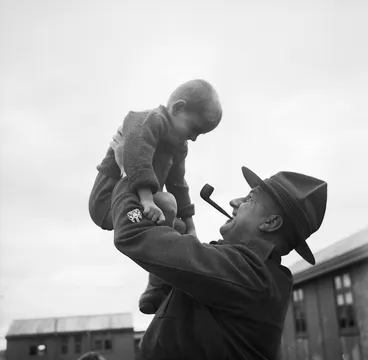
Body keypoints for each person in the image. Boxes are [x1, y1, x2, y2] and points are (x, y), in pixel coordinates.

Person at [109, 157, 327, 359]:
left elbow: (134, 235)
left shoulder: (247, 273)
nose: (234, 201)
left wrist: (130, 176)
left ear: (269, 223)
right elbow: (164, 304)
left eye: (250, 199)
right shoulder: (249, 274)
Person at [89, 79, 222, 314]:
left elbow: (178, 184)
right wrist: (147, 199)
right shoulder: (147, 120)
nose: (193, 138)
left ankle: (158, 284)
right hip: (108, 199)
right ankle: (160, 279)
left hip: (141, 198)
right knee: (167, 203)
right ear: (178, 108)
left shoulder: (179, 146)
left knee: (180, 229)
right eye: (194, 129)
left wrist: (191, 226)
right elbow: (135, 157)